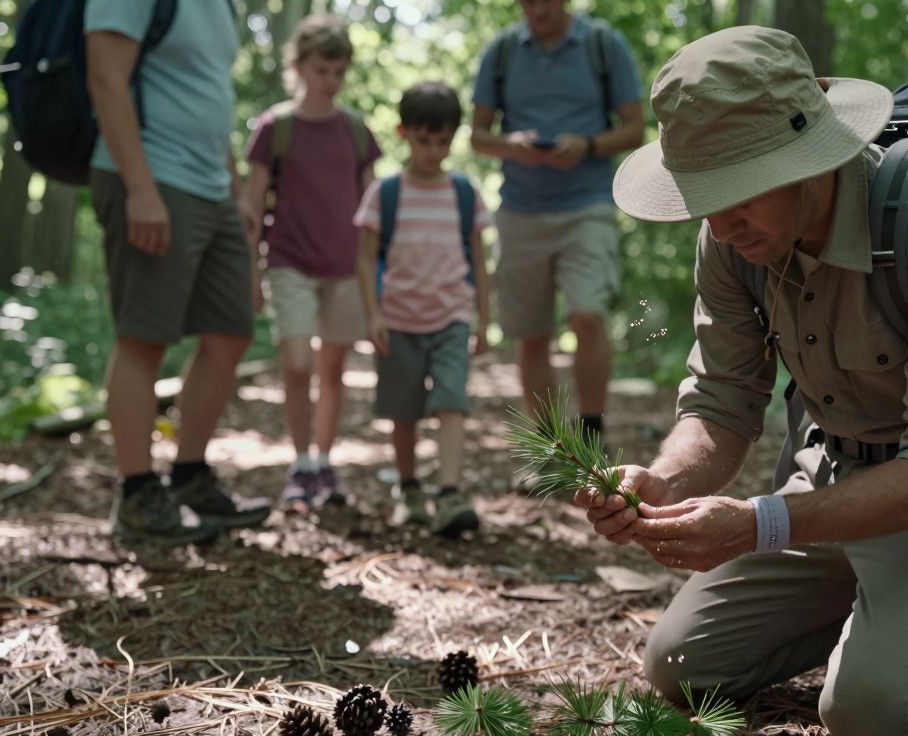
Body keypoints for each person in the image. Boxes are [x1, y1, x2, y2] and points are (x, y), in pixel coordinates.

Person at [576, 27, 908, 736]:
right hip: (830, 482)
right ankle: (893, 605)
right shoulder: (735, 242)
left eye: (738, 190)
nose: (720, 221)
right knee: (683, 665)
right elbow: (722, 403)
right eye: (703, 194)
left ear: (810, 159)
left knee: (872, 714)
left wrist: (760, 524)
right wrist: (667, 479)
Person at [86, 0, 270, 545]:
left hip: (212, 187)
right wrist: (140, 190)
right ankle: (138, 494)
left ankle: (189, 477)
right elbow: (105, 77)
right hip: (153, 178)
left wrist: (234, 188)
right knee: (144, 336)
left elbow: (208, 95)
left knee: (230, 333)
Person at [469, 0, 644, 450]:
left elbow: (634, 128)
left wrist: (585, 145)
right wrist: (511, 145)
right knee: (531, 336)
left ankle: (590, 436)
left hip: (587, 205)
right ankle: (552, 448)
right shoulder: (502, 52)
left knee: (588, 314)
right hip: (520, 210)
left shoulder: (604, 44)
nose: (537, 7)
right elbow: (478, 136)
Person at [242, 14, 382, 512]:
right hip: (288, 263)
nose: (331, 80)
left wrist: (381, 275)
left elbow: (374, 208)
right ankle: (299, 462)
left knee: (333, 369)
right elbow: (252, 207)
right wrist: (250, 277)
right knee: (297, 364)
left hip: (344, 267)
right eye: (322, 69)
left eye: (339, 71)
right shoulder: (273, 128)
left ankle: (323, 462)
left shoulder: (356, 131)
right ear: (299, 66)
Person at [354, 82, 492, 538]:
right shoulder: (385, 193)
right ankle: (410, 489)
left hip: (451, 315)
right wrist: (372, 314)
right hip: (397, 319)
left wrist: (483, 318)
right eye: (423, 140)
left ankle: (449, 493)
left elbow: (478, 259)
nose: (433, 150)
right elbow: (366, 256)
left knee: (451, 400)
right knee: (403, 409)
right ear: (404, 134)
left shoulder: (465, 193)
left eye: (443, 141)